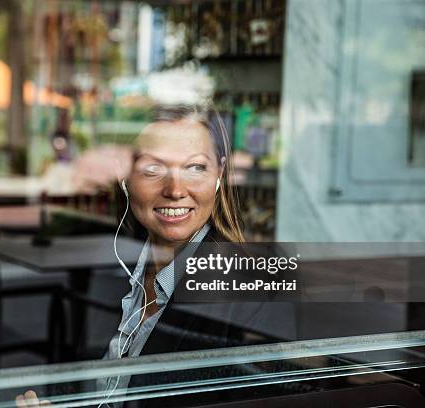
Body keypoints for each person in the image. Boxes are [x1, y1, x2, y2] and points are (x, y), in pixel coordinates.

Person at [16, 103, 295, 407]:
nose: (175, 189)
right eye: (153, 168)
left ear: (220, 175)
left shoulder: (252, 293)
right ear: (126, 176)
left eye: (195, 168)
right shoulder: (114, 270)